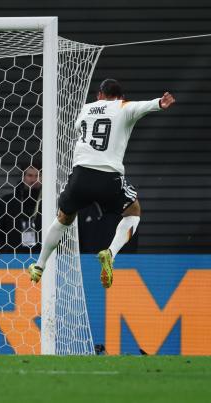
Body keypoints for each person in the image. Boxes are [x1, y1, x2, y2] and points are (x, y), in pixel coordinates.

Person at [28, 79, 175, 288]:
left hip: (81, 176)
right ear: (120, 97)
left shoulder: (86, 109)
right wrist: (160, 103)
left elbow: (79, 126)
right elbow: (145, 105)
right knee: (133, 212)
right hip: (108, 177)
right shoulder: (124, 107)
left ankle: (39, 265)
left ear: (99, 95)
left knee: (63, 217)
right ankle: (110, 253)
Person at [0, 165, 42, 253]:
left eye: (38, 176)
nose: (34, 180)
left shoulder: (49, 203)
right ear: (23, 177)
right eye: (30, 175)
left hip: (42, 258)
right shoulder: (7, 202)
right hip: (12, 259)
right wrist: (5, 253)